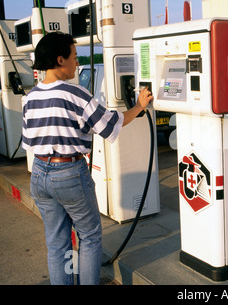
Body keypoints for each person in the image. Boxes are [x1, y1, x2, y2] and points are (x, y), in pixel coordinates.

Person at [21, 32, 153, 285]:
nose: (76, 63)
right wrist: (138, 106)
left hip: (39, 173)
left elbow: (28, 140)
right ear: (60, 60)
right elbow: (110, 124)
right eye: (74, 57)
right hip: (69, 173)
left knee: (57, 243)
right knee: (89, 237)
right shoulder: (75, 93)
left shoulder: (31, 97)